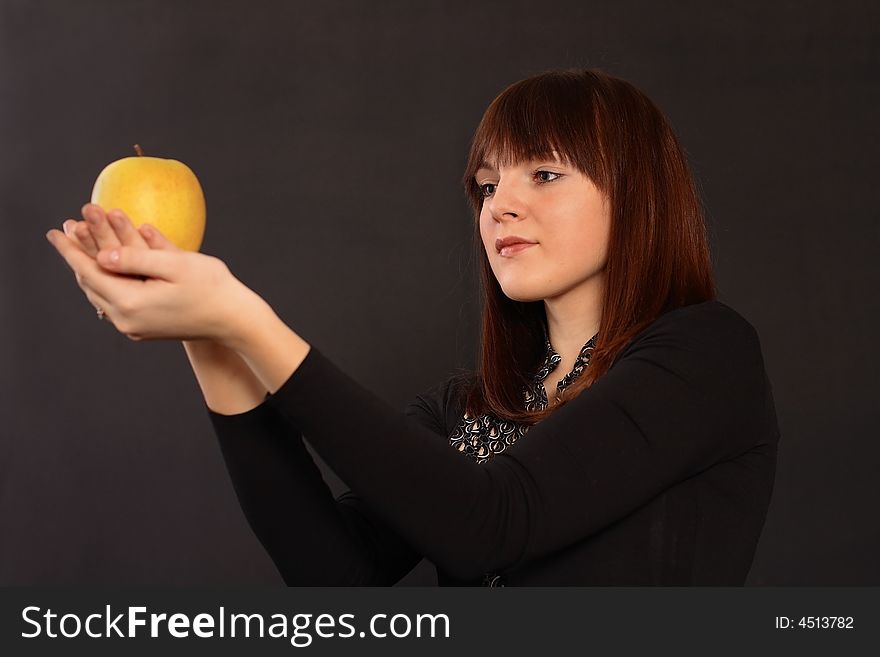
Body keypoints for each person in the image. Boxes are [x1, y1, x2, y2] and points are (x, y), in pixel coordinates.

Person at [46, 68, 780, 586]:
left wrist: (246, 317)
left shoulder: (705, 355)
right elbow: (336, 578)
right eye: (488, 184)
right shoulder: (464, 408)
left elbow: (489, 521)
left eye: (544, 174)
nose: (500, 205)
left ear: (640, 196)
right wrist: (208, 337)